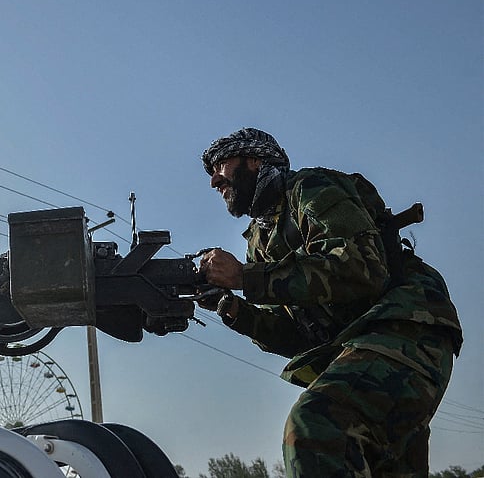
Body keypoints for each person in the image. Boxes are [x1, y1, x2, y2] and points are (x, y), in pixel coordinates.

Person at [196, 127, 462, 477]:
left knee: (315, 425)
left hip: (406, 328)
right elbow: (298, 336)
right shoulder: (259, 241)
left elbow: (362, 268)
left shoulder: (310, 189)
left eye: (221, 165)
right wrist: (233, 309)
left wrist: (246, 277)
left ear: (254, 161)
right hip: (362, 344)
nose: (215, 181)